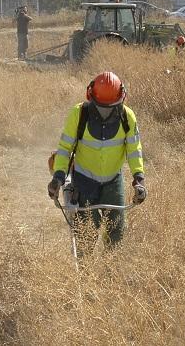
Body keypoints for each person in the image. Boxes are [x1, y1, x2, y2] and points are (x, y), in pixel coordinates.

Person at [48, 72, 146, 252]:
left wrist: (139, 179)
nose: (105, 113)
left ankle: (110, 273)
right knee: (86, 233)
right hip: (84, 181)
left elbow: (134, 150)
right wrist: (58, 177)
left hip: (113, 182)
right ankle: (85, 275)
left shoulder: (127, 117)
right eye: (101, 108)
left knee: (116, 233)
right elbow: (64, 148)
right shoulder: (79, 114)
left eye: (110, 109)